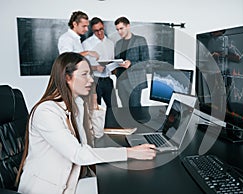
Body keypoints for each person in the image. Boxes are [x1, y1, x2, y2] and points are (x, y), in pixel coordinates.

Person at [16, 52, 156, 194]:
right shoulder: (46, 111)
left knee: (127, 183)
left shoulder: (76, 104)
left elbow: (96, 135)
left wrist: (93, 103)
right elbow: (78, 154)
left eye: (90, 74)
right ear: (67, 78)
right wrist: (130, 152)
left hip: (73, 180)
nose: (91, 80)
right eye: (84, 74)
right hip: (50, 188)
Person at [82, 17, 119, 108]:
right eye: (96, 30)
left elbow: (111, 60)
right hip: (94, 81)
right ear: (92, 30)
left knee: (114, 108)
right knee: (95, 110)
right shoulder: (86, 44)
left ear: (103, 27)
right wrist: (95, 68)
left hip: (107, 80)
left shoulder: (110, 43)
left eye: (101, 29)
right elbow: (82, 65)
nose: (99, 33)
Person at [114, 16, 149, 109]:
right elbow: (116, 60)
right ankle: (126, 124)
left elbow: (146, 62)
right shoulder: (118, 44)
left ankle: (136, 124)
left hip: (134, 81)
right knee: (125, 108)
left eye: (121, 28)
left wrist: (131, 63)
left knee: (134, 108)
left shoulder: (140, 40)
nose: (119, 32)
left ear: (128, 26)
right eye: (117, 29)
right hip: (121, 81)